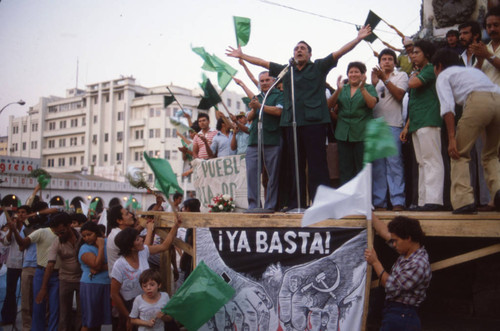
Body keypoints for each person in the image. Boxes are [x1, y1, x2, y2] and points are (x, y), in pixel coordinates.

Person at [226, 25, 372, 209]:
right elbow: (264, 63)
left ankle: (321, 204)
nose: (299, 50)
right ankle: (296, 204)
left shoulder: (318, 67)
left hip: (315, 123)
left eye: (303, 48)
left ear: (309, 54)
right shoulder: (286, 70)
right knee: (294, 166)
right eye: (296, 48)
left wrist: (358, 39)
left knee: (317, 165)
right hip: (291, 124)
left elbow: (339, 53)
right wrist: (243, 56)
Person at [432, 48, 500, 213]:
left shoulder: (443, 75)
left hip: (477, 101)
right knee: (491, 154)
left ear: (438, 66)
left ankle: (464, 202)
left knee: (459, 153)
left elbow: (448, 107)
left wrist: (452, 139)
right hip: (498, 100)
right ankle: (498, 192)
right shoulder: (471, 72)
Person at [110, 214, 181, 331]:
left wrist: (175, 226)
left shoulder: (143, 252)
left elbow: (164, 246)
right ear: (131, 247)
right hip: (133, 306)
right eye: (138, 239)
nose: (141, 239)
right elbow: (114, 294)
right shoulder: (120, 265)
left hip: (152, 299)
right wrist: (128, 317)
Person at [365, 213, 431, 330]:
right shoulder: (407, 253)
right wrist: (369, 213)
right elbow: (384, 232)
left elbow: (391, 286)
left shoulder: (418, 264)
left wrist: (375, 263)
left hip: (403, 317)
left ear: (408, 238)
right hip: (396, 314)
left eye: (396, 241)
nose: (393, 244)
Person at [400, 40, 445, 211]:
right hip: (417, 122)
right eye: (412, 53)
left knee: (431, 160)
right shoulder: (419, 71)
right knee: (421, 163)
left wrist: (412, 76)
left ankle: (435, 200)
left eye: (416, 52)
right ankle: (423, 201)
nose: (412, 56)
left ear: (426, 53)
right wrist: (406, 127)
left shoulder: (430, 68)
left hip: (429, 120)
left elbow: (412, 84)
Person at [234, 72, 284, 211]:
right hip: (254, 139)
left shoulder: (279, 95)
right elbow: (250, 116)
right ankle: (254, 205)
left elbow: (278, 111)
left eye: (267, 79)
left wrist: (259, 106)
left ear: (273, 81)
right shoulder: (258, 97)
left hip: (272, 139)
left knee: (272, 176)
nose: (264, 82)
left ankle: (270, 206)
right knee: (252, 175)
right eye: (261, 80)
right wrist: (254, 108)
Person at [11, 206, 61, 331]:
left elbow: (55, 210)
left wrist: (34, 213)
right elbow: (22, 246)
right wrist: (15, 229)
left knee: (52, 305)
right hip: (32, 267)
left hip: (52, 270)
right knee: (30, 302)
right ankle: (28, 327)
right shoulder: (32, 228)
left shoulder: (54, 228)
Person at [371, 49, 408, 211]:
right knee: (378, 167)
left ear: (395, 62)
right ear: (379, 62)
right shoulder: (374, 79)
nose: (386, 62)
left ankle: (398, 201)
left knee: (395, 165)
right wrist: (372, 84)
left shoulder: (401, 76)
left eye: (390, 59)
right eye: (383, 59)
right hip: (376, 126)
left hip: (394, 124)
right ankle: (379, 202)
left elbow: (399, 95)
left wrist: (384, 79)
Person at [328, 61, 378, 184]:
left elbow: (371, 104)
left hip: (363, 134)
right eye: (351, 72)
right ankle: (348, 200)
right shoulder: (342, 89)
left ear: (362, 75)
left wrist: (362, 89)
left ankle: (363, 200)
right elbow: (329, 105)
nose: (353, 74)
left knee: (363, 169)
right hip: (343, 134)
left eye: (356, 72)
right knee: (345, 169)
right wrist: (337, 90)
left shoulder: (369, 88)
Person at [36, 212, 83, 331]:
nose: (59, 235)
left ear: (70, 226)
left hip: (82, 280)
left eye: (62, 232)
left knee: (82, 313)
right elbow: (50, 265)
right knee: (64, 314)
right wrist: (43, 288)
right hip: (65, 280)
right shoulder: (57, 242)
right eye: (56, 233)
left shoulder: (83, 235)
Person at [79, 221, 112, 331]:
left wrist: (102, 267)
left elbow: (115, 262)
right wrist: (101, 247)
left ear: (96, 233)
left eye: (89, 234)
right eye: (84, 236)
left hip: (106, 285)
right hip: (91, 285)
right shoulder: (84, 248)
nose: (87, 238)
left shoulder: (109, 242)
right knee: (89, 321)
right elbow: (96, 265)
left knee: (100, 320)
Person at [1, 206, 27, 325]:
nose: (20, 215)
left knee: (26, 292)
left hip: (25, 264)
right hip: (12, 264)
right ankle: (8, 317)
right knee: (10, 291)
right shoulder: (12, 226)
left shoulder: (28, 227)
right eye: (19, 212)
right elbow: (6, 242)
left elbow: (24, 244)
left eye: (23, 212)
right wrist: (11, 229)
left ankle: (27, 317)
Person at [473, 6, 500, 85]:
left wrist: (487, 55)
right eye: (489, 26)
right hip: (486, 96)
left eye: (496, 25)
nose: (492, 29)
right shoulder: (484, 48)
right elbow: (473, 77)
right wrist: (479, 62)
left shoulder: (484, 51)